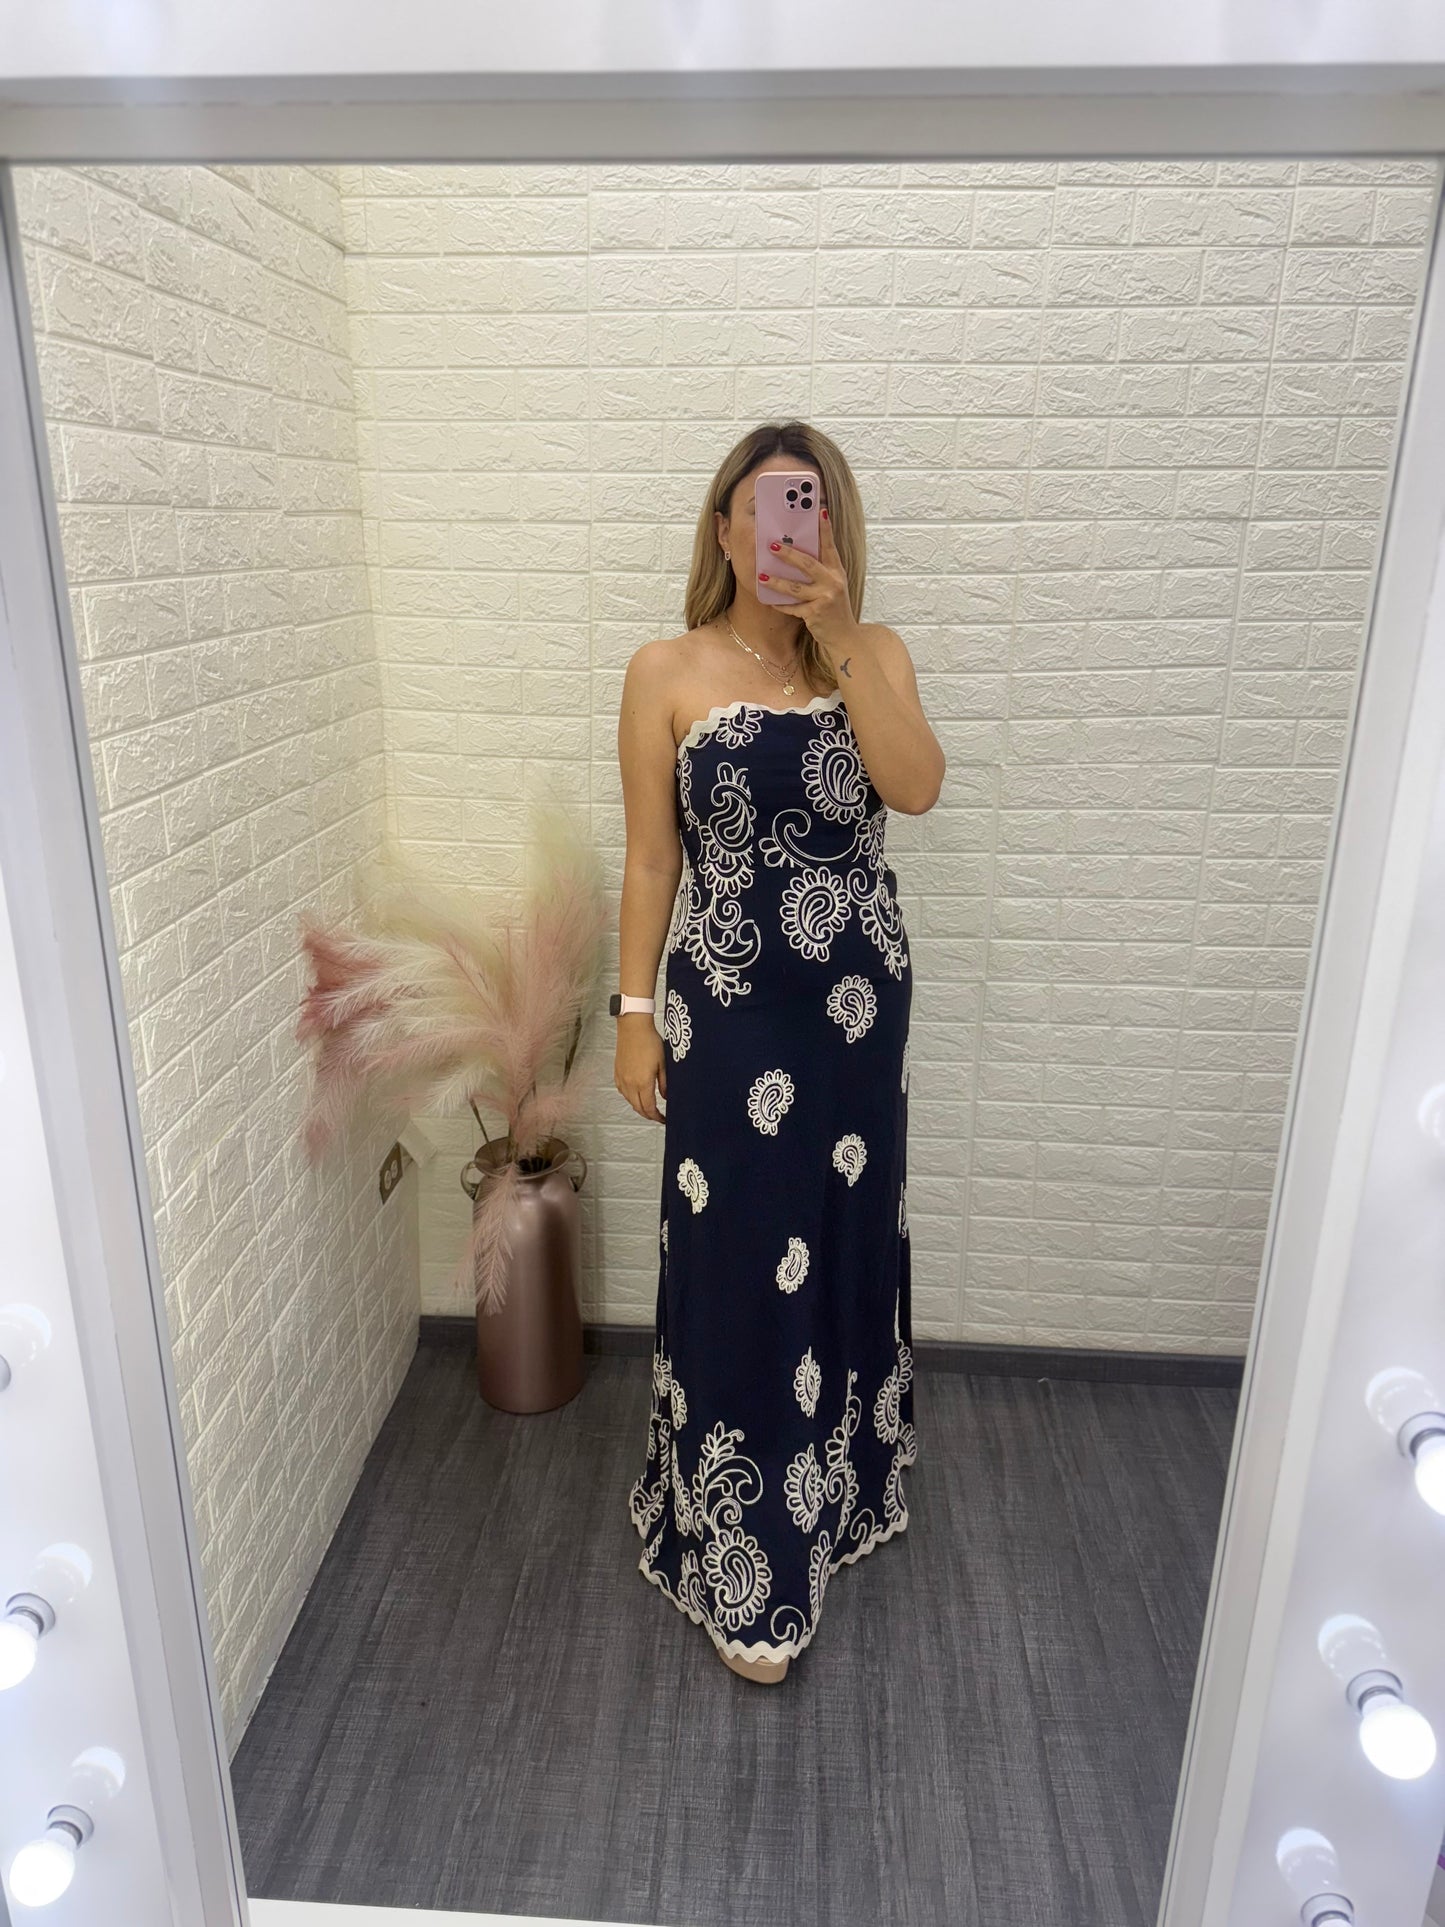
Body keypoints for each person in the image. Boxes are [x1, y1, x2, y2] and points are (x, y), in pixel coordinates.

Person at [613, 421, 945, 1683]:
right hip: (729, 1010)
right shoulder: (665, 670)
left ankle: (839, 1494)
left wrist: (842, 636)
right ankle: (746, 1553)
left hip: (856, 1011)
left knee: (841, 1237)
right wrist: (630, 1011)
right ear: (722, 528)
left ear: (832, 529)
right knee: (743, 1259)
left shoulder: (875, 654)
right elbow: (653, 858)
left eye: (805, 510)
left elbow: (914, 787)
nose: (781, 533)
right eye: (760, 509)